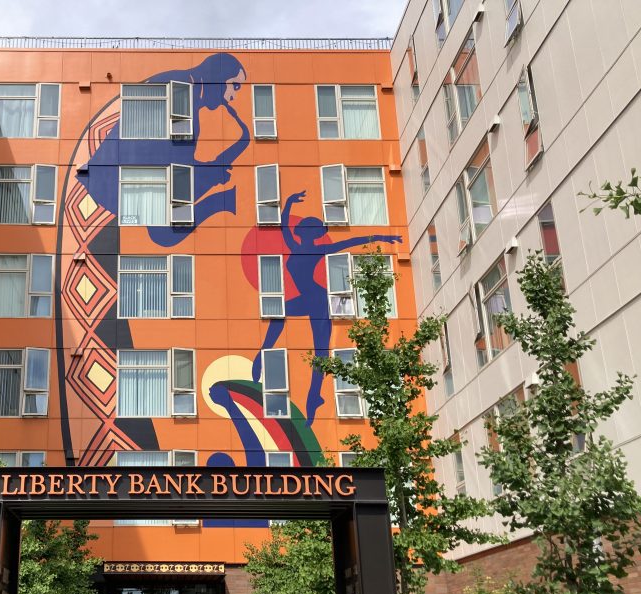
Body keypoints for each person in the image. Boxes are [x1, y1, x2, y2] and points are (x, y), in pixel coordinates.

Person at [252, 191, 402, 426]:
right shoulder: (297, 246)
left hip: (319, 300)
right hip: (310, 297)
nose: (304, 233)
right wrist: (289, 203)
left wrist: (382, 236)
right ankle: (261, 357)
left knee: (321, 352)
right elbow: (283, 227)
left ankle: (313, 401)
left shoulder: (311, 249)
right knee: (277, 314)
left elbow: (351, 242)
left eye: (308, 230)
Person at [78, 53, 250, 247]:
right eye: (234, 85)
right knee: (166, 233)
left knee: (168, 229)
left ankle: (216, 202)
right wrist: (210, 172)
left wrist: (208, 171)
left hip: (123, 180)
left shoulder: (184, 90)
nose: (233, 96)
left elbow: (175, 157)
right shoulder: (179, 90)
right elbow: (173, 159)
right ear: (219, 76)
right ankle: (219, 202)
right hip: (116, 184)